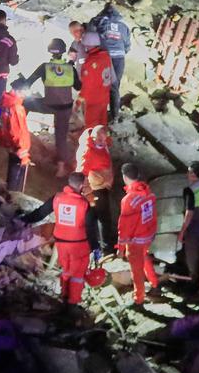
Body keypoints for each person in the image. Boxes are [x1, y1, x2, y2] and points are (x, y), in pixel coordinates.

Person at [21, 173, 102, 304]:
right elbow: (90, 229)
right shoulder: (84, 205)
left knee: (66, 271)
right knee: (77, 276)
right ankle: (73, 303)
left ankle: (64, 297)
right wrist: (95, 247)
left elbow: (40, 213)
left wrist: (23, 220)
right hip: (79, 247)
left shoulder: (57, 198)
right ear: (81, 185)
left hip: (61, 245)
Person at [22, 38, 81, 177]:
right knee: (60, 136)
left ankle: (20, 132)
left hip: (49, 105)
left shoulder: (44, 67)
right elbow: (79, 87)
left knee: (24, 103)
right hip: (65, 107)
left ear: (50, 51)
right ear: (63, 52)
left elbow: (28, 83)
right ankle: (61, 168)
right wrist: (70, 67)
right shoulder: (70, 68)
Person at [117, 163, 159, 305]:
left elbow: (124, 227)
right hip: (147, 237)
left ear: (124, 177)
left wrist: (120, 249)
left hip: (135, 241)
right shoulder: (148, 192)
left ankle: (138, 299)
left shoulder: (128, 200)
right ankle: (154, 284)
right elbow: (153, 215)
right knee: (144, 257)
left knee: (136, 270)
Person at [76, 125, 115, 253]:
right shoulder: (88, 152)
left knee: (97, 218)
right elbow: (81, 173)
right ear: (93, 138)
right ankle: (105, 248)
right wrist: (87, 193)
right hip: (95, 189)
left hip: (102, 185)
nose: (103, 143)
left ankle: (97, 245)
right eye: (100, 140)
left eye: (104, 140)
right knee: (103, 219)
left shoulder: (100, 145)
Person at [90, 2, 131, 120]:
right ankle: (115, 116)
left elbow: (90, 38)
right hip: (119, 58)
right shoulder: (123, 25)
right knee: (114, 87)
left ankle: (99, 115)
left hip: (105, 57)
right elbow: (127, 46)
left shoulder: (97, 20)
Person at [0, 87, 32, 192]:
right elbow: (18, 130)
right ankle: (13, 198)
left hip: (7, 142)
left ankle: (9, 193)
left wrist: (1, 138)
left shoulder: (2, 102)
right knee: (16, 180)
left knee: (11, 173)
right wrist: (22, 150)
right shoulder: (16, 108)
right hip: (17, 147)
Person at [78, 29, 113, 130]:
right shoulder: (106, 57)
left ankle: (91, 145)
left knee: (91, 128)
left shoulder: (90, 62)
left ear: (89, 45)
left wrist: (79, 100)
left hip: (93, 100)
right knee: (102, 126)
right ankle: (105, 143)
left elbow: (87, 85)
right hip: (104, 97)